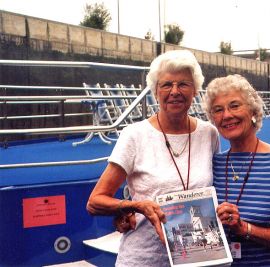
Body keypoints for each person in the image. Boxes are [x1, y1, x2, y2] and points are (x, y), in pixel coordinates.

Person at [86, 49, 219, 267]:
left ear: (195, 90)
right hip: (145, 258)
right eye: (166, 85)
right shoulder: (135, 135)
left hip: (196, 257)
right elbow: (95, 201)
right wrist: (134, 206)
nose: (174, 91)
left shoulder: (209, 134)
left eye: (183, 84)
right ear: (156, 91)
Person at [203, 74, 270, 266]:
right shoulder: (212, 165)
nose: (226, 115)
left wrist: (245, 228)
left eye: (235, 106)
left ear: (253, 111)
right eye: (218, 110)